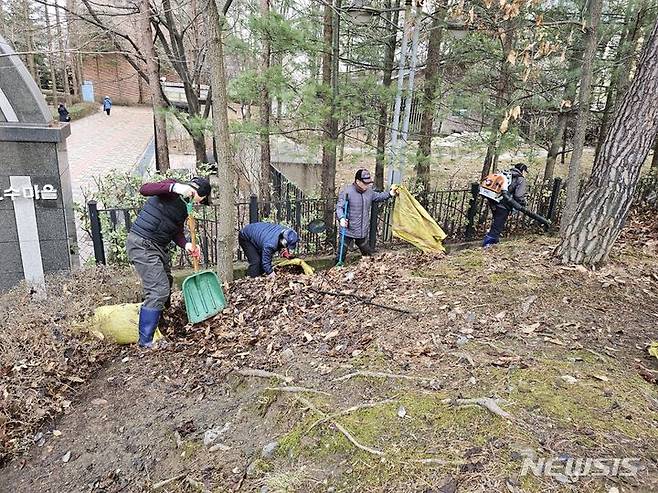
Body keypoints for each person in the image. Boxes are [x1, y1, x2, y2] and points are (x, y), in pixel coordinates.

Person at [127, 176, 211, 347]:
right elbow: (145, 189)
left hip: (158, 246)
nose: (199, 204)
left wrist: (186, 244)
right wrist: (175, 188)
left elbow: (176, 231)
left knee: (166, 282)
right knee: (158, 289)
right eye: (201, 201)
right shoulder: (172, 189)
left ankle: (160, 324)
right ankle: (146, 341)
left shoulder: (184, 207)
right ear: (199, 195)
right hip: (142, 243)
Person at [335, 168, 398, 263]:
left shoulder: (369, 192)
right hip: (347, 230)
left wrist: (390, 194)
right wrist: (342, 218)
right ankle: (338, 269)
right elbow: (339, 208)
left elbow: (379, 196)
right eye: (365, 183)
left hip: (362, 231)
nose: (367, 185)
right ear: (357, 181)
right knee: (341, 254)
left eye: (368, 183)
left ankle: (368, 267)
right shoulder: (347, 192)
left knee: (367, 254)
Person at [483, 163, 528, 247]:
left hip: (494, 201)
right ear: (523, 171)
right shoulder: (520, 179)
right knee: (498, 224)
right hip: (504, 204)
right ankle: (487, 243)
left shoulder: (506, 174)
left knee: (497, 222)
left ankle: (494, 241)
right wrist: (522, 203)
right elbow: (519, 195)